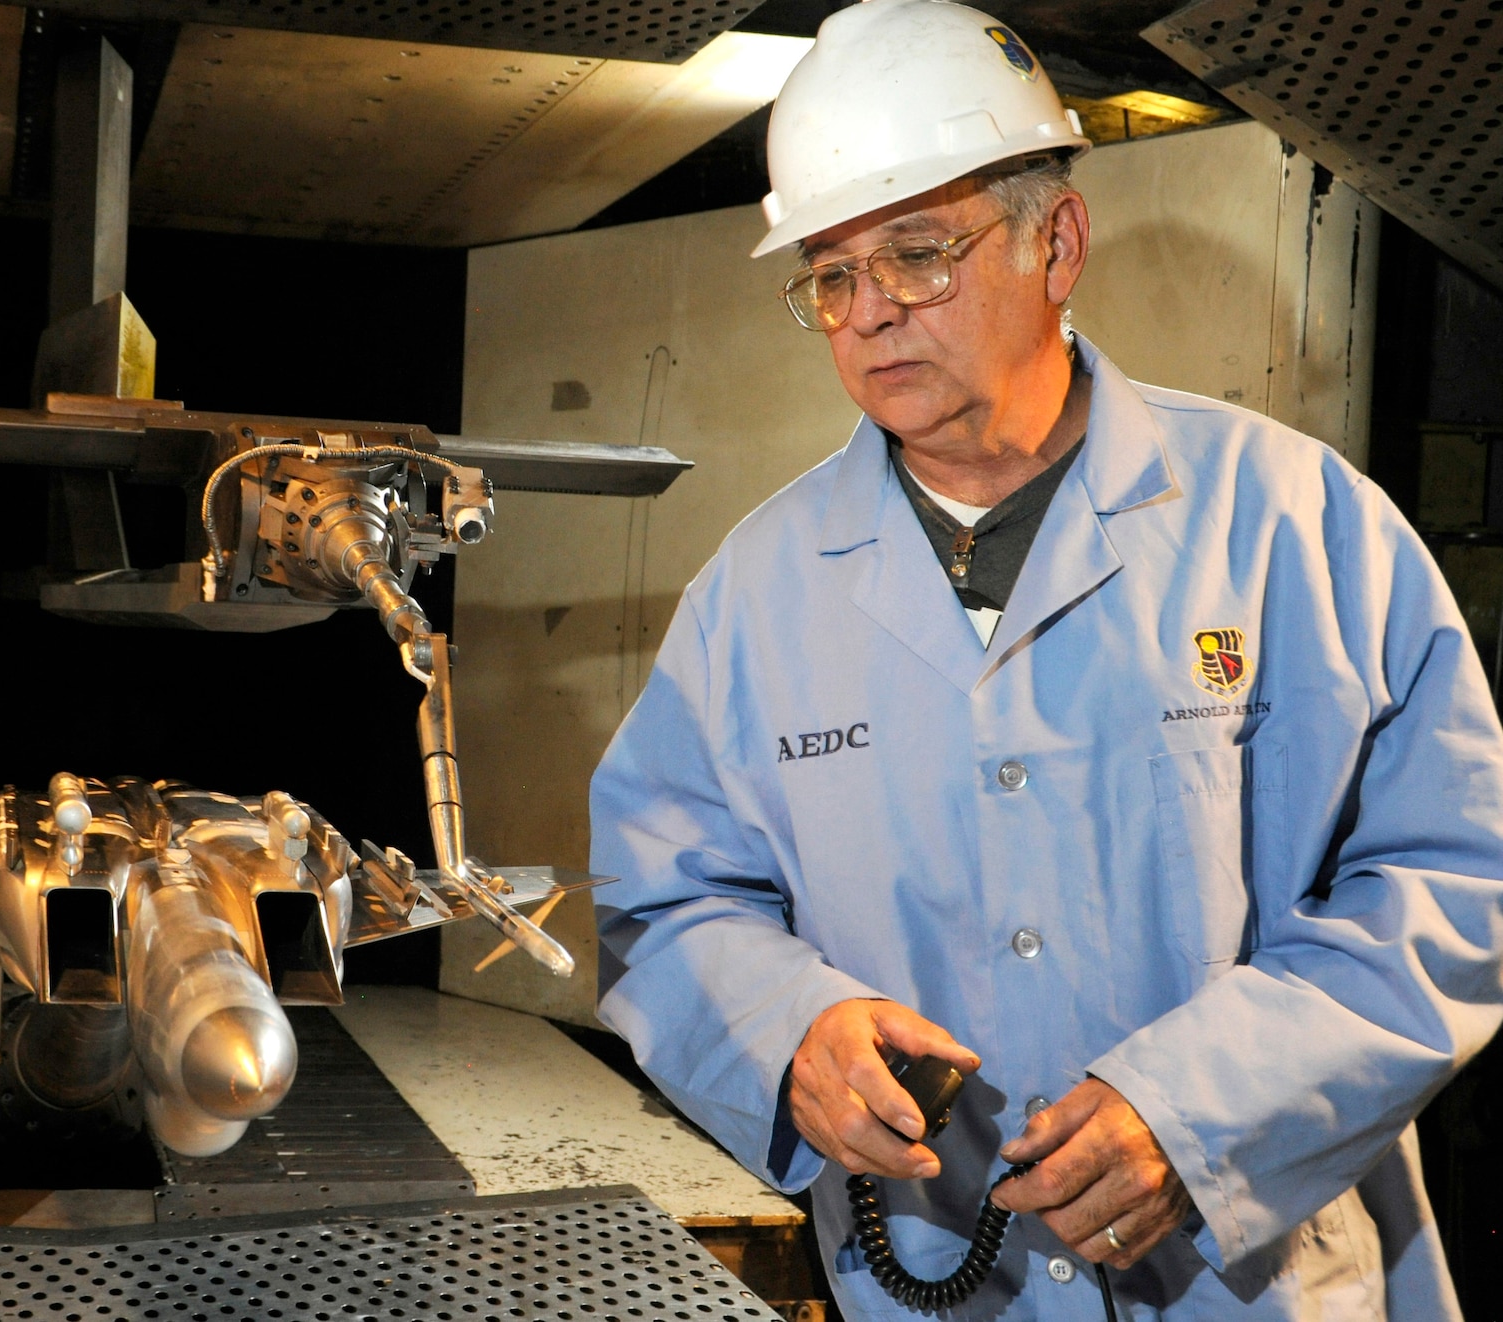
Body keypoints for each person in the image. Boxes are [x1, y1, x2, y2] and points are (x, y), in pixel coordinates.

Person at [588, 1, 1503, 1317]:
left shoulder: (1297, 523)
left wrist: (1197, 1113)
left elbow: (1453, 878)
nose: (871, 313)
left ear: (1057, 241)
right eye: (833, 277)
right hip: (935, 1279)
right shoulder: (755, 594)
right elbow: (663, 903)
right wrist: (788, 1030)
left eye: (916, 254)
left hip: (1255, 1286)